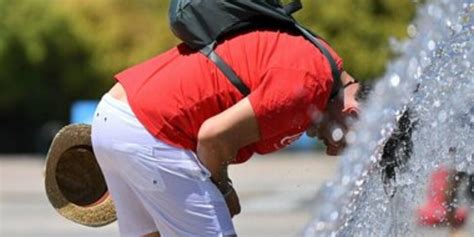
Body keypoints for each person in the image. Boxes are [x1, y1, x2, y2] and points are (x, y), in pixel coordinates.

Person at [91, 26, 360, 237]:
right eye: (345, 144)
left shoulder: (320, 57)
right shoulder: (307, 87)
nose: (332, 150)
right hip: (152, 129)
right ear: (353, 114)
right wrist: (223, 189)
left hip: (114, 113)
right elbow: (212, 137)